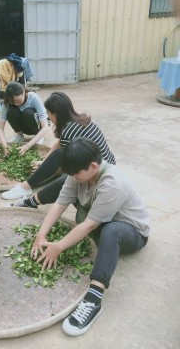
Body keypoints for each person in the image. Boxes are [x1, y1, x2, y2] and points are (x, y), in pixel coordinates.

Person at [31, 138, 150, 336]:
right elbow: (60, 203)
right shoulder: (80, 173)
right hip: (100, 218)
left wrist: (58, 247)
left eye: (76, 173)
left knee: (111, 232)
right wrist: (41, 235)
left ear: (94, 166)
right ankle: (30, 200)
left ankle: (93, 300)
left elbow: (90, 225)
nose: (74, 177)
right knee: (65, 183)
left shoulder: (113, 183)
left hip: (131, 231)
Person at [1, 92, 116, 205]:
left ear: (55, 114)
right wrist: (44, 161)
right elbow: (59, 144)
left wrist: (46, 167)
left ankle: (28, 195)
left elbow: (65, 161)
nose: (48, 117)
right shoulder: (79, 120)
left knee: (68, 180)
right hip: (107, 163)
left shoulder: (68, 131)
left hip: (99, 173)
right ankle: (26, 187)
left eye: (48, 113)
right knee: (60, 155)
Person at [0, 81, 50, 155]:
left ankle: (38, 136)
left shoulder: (33, 97)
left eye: (18, 101)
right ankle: (20, 136)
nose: (16, 104)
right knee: (11, 112)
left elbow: (46, 127)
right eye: (13, 102)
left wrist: (27, 146)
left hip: (39, 125)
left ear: (24, 92)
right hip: (25, 126)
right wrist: (4, 146)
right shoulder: (7, 102)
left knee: (27, 112)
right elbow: (0, 128)